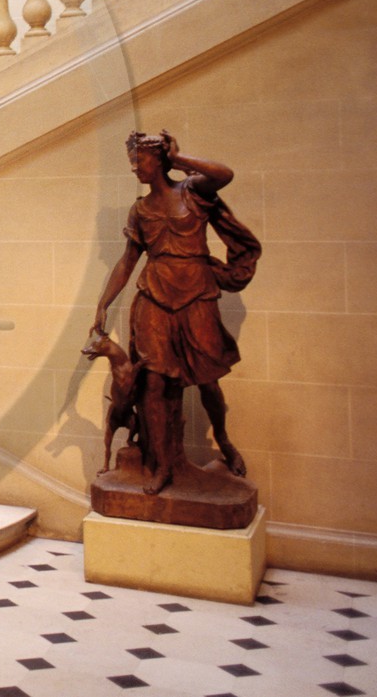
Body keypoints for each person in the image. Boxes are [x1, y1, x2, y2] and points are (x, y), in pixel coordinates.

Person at [91, 130, 258, 494]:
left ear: (160, 159)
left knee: (208, 377)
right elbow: (127, 261)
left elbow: (224, 174)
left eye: (141, 159)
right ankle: (163, 464)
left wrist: (179, 159)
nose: (135, 167)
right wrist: (103, 303)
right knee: (153, 382)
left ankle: (225, 441)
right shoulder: (140, 210)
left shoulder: (193, 192)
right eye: (132, 161)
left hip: (197, 292)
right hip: (153, 296)